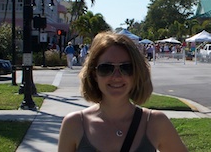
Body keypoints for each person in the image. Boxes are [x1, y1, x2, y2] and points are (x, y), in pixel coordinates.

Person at [58, 31, 187, 152]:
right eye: (106, 68)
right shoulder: (74, 124)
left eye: (126, 68)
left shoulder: (155, 123)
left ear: (136, 72)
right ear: (94, 74)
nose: (117, 76)